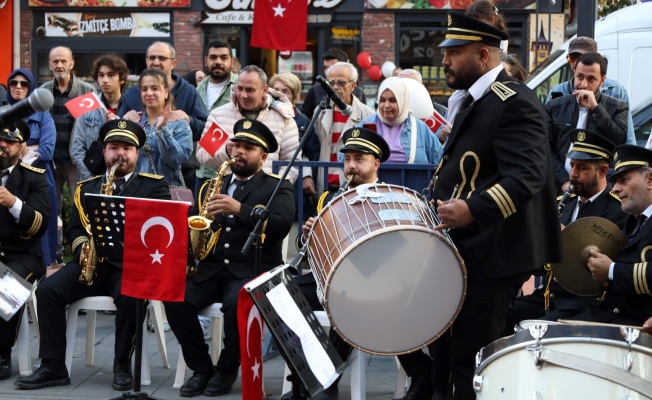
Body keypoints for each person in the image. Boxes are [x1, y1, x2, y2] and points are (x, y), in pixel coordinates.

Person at [433, 12, 562, 399]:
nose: (445, 61)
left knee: (474, 361)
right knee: (447, 353)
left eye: (455, 52)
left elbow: (528, 177)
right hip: (467, 248)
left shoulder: (514, 102)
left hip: (494, 251)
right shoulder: (476, 100)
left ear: (483, 55)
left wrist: (472, 209)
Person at [15, 120, 170, 391]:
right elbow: (74, 227)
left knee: (131, 296)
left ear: (137, 153)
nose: (119, 153)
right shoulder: (87, 187)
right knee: (48, 290)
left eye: (126, 148)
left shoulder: (154, 187)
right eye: (113, 147)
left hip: (129, 267)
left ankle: (122, 363)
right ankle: (53, 365)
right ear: (104, 151)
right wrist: (82, 250)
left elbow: (160, 233)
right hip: (91, 265)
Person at [164, 118, 295, 397]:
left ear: (263, 156)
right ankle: (201, 368)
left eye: (248, 148)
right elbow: (193, 227)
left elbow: (282, 225)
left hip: (251, 269)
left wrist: (240, 209)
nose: (239, 152)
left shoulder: (277, 187)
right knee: (174, 297)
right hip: (211, 269)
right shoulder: (212, 184)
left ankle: (226, 369)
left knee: (238, 303)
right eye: (236, 145)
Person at [286, 127, 395, 400]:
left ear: (376, 163)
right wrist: (308, 236)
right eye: (347, 160)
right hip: (325, 277)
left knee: (345, 298)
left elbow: (393, 254)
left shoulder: (389, 198)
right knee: (281, 295)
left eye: (359, 159)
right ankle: (302, 377)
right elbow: (309, 252)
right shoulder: (328, 198)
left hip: (366, 283)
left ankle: (328, 383)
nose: (351, 167)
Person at [505, 129, 628, 334]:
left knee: (536, 333)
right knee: (499, 316)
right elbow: (542, 266)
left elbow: (610, 267)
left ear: (603, 171)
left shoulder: (619, 211)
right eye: (572, 166)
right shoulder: (562, 204)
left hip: (584, 304)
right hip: (548, 296)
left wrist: (567, 241)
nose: (573, 174)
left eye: (582, 168)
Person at [568, 144, 652, 326]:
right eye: (615, 182)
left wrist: (612, 270)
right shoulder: (634, 221)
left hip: (638, 324)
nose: (615, 188)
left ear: (650, 180)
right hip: (609, 315)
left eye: (624, 180)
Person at [120, 41, 208, 192]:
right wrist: (122, 120)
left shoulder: (189, 92)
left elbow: (202, 130)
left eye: (161, 58)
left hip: (169, 187)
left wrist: (186, 121)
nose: (156, 62)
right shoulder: (130, 94)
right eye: (152, 57)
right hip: (134, 188)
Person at [0, 121, 50, 381]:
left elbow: (41, 224)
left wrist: (13, 203)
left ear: (20, 148)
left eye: (8, 141)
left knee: (5, 289)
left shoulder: (34, 177)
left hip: (23, 255)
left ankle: (1, 353)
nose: (2, 145)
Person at [196, 65, 301, 184]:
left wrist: (274, 188)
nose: (243, 95)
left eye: (250, 90)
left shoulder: (283, 118)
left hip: (266, 195)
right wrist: (225, 152)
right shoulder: (219, 115)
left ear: (265, 90)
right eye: (239, 88)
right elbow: (202, 155)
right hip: (227, 192)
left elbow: (292, 162)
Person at [40, 46, 95, 262]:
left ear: (72, 64)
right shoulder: (43, 91)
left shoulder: (86, 91)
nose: (59, 65)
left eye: (63, 61)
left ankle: (82, 253)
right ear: (50, 64)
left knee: (80, 206)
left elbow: (93, 127)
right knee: (51, 208)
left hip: (75, 161)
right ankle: (55, 255)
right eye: (55, 61)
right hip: (50, 160)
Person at [546, 52, 628, 194]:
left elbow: (619, 141)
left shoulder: (617, 107)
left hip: (598, 189)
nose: (583, 84)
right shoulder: (554, 107)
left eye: (591, 79)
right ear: (574, 74)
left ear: (602, 80)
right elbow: (545, 148)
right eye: (580, 77)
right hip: (560, 187)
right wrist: (564, 181)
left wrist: (596, 108)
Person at [6, 69, 57, 267]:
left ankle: (42, 267)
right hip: (7, 177)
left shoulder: (43, 115)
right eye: (14, 83)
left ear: (32, 87)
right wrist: (28, 148)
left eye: (24, 83)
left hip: (39, 177)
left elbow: (47, 149)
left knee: (39, 222)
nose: (18, 87)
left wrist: (18, 156)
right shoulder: (3, 112)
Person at [546, 36, 636, 145]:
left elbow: (627, 138)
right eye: (572, 58)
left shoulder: (616, 90)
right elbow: (547, 139)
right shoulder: (558, 90)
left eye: (582, 57)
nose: (576, 62)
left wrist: (596, 108)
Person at [304, 62, 374, 195]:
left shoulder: (367, 115)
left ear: (352, 86)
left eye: (341, 83)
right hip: (324, 185)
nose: (335, 87)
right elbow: (308, 147)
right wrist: (306, 174)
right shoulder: (320, 112)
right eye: (331, 83)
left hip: (352, 186)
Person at [358, 76, 442, 166]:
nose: (386, 105)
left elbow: (440, 158)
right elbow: (345, 157)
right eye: (382, 100)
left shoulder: (420, 128)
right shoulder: (365, 125)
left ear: (403, 101)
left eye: (392, 100)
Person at [269, 72, 320, 215]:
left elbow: (314, 153)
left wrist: (308, 176)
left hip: (293, 187)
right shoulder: (263, 116)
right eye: (276, 90)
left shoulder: (303, 122)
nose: (279, 94)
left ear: (296, 96)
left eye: (286, 91)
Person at [71, 53, 128, 180]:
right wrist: (91, 179)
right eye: (101, 75)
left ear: (122, 78)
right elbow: (77, 148)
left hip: (124, 179)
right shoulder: (87, 106)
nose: (105, 80)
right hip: (93, 177)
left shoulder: (131, 107)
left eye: (111, 75)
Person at [131, 69, 193, 186]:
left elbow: (176, 159)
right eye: (144, 89)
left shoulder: (179, 124)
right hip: (136, 190)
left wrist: (162, 130)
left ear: (165, 92)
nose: (149, 93)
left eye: (154, 88)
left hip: (167, 191)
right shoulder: (134, 123)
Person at [195, 39, 239, 195]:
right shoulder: (199, 88)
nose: (218, 62)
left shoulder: (241, 86)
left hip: (231, 173)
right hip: (203, 171)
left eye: (223, 58)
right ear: (206, 60)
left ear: (232, 62)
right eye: (213, 57)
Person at [300, 48, 366, 119]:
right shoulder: (315, 90)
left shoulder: (359, 93)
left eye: (332, 67)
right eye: (325, 67)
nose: (327, 71)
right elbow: (304, 121)